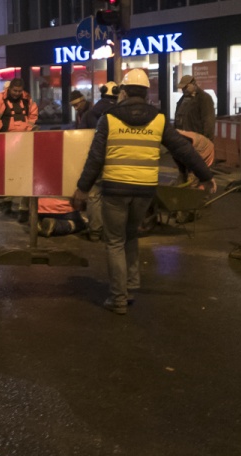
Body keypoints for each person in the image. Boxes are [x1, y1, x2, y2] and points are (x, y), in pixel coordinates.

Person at [72, 69, 216, 315]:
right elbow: (183, 148)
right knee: (130, 235)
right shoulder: (159, 118)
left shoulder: (108, 118)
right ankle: (130, 283)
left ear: (124, 92)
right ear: (146, 93)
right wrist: (206, 176)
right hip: (145, 190)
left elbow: (95, 158)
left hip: (115, 188)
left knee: (115, 240)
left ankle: (118, 297)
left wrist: (83, 189)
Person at [0, 78, 38, 222]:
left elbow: (33, 114)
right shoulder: (0, 98)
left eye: (19, 91)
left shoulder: (27, 99)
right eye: (15, 91)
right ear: (10, 89)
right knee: (8, 172)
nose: (17, 93)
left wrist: (27, 128)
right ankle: (7, 201)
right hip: (4, 140)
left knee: (23, 172)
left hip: (22, 140)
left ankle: (18, 207)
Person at [77, 81, 119, 242]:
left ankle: (95, 230)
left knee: (94, 193)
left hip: (97, 158)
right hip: (118, 158)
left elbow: (80, 137)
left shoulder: (91, 113)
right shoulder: (121, 111)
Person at [174, 74, 216, 141]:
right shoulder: (182, 99)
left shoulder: (204, 98)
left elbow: (208, 122)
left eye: (186, 87)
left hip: (196, 141)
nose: (183, 90)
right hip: (183, 140)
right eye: (182, 88)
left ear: (193, 84)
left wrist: (206, 141)